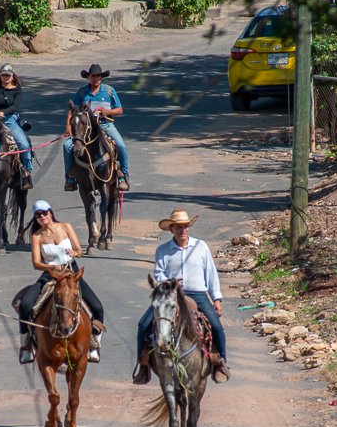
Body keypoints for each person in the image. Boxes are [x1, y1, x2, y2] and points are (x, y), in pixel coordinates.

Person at [132, 209, 229, 385]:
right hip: (171, 294)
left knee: (216, 326)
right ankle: (143, 365)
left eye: (185, 226)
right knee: (143, 324)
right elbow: (158, 273)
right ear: (172, 229)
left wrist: (217, 299)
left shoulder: (201, 247)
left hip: (198, 294)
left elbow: (211, 273)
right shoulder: (163, 250)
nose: (182, 230)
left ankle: (220, 363)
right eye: (178, 227)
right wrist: (169, 282)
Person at [16, 199, 106, 364]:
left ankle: (94, 345)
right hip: (50, 275)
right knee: (26, 305)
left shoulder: (65, 227)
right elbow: (36, 263)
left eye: (44, 213)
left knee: (98, 307)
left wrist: (75, 252)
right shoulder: (37, 236)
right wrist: (51, 267)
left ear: (50, 212)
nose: (42, 217)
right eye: (38, 215)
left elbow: (79, 251)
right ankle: (26, 346)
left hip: (71, 273)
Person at [62, 63, 129, 192]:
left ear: (101, 78)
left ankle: (123, 175)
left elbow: (120, 110)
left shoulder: (109, 91)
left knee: (121, 146)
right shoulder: (82, 92)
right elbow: (72, 110)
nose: (95, 79)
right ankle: (70, 177)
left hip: (105, 124)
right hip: (85, 127)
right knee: (67, 146)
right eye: (92, 76)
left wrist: (107, 112)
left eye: (97, 76)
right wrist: (68, 127)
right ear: (88, 77)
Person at [0, 63, 34, 190]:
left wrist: (3, 112)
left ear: (12, 76)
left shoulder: (17, 90)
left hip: (11, 120)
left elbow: (15, 106)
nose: (5, 78)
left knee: (24, 144)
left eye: (7, 75)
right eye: (3, 75)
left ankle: (26, 172)